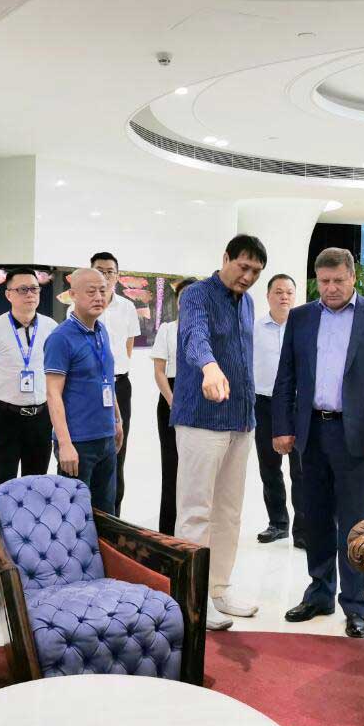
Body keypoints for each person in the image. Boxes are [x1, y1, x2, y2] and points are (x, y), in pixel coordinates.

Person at [273, 247, 364, 638]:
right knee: (314, 518)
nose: (331, 288)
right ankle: (319, 593)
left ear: (353, 278)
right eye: (324, 281)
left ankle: (355, 604)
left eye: (338, 281)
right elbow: (286, 376)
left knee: (354, 523)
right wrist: (282, 426)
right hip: (310, 433)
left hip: (357, 436)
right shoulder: (301, 318)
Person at [172, 234, 267, 631]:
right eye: (243, 267)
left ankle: (218, 588)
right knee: (196, 511)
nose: (248, 276)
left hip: (241, 421)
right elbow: (194, 336)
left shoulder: (248, 303)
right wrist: (209, 367)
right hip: (201, 419)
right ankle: (192, 596)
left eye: (255, 271)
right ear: (225, 258)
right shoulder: (197, 295)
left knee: (229, 512)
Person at [45, 267, 125, 515]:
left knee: (106, 514)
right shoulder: (60, 338)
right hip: (78, 442)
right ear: (73, 295)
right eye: (91, 292)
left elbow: (107, 380)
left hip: (106, 438)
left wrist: (117, 420)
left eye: (103, 290)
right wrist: (65, 444)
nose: (99, 297)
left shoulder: (102, 331)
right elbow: (53, 394)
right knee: (74, 517)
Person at [0, 268, 57, 488]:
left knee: (36, 485)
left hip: (41, 418)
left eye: (34, 289)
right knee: (4, 485)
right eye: (22, 289)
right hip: (5, 418)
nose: (30, 294)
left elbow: (56, 376)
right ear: (8, 294)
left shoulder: (51, 327)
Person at [253, 273, 305, 547]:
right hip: (265, 404)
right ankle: (278, 523)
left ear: (295, 296)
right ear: (268, 296)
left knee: (301, 469)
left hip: (297, 405)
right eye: (278, 291)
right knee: (269, 466)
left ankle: (303, 530)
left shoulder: (304, 327)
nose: (284, 296)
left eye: (289, 292)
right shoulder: (255, 328)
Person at [91, 252, 141, 514]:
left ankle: (115, 518)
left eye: (110, 271)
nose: (105, 275)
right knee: (91, 450)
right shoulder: (77, 307)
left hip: (119, 385)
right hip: (90, 387)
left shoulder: (127, 307)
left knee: (118, 451)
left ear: (117, 276)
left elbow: (128, 346)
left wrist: (115, 373)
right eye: (100, 270)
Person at [151, 277, 197, 536]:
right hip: (171, 398)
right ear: (177, 301)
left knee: (196, 470)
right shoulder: (167, 329)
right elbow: (159, 371)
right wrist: (172, 401)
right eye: (183, 297)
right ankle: (168, 531)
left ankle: (192, 530)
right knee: (172, 467)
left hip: (199, 400)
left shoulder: (207, 330)